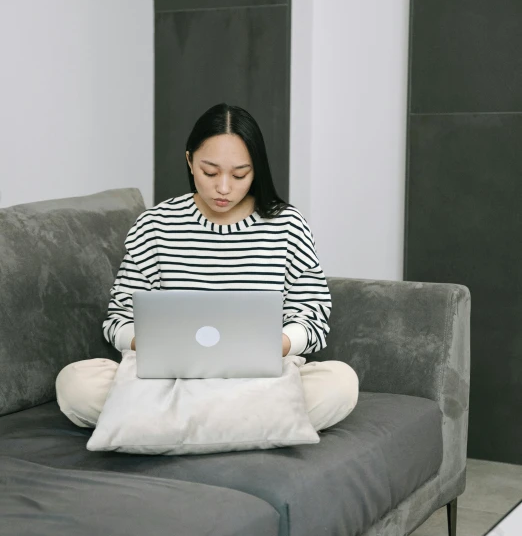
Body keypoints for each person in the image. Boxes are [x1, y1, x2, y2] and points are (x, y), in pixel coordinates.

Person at [56, 103, 359, 432]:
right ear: (189, 161)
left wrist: (278, 344)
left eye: (240, 174)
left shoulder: (288, 225)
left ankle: (169, 426)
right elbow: (119, 320)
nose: (224, 188)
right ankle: (246, 426)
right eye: (210, 172)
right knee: (77, 384)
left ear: (256, 169)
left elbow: (312, 314)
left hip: (258, 380)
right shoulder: (155, 225)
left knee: (339, 383)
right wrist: (150, 344)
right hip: (169, 380)